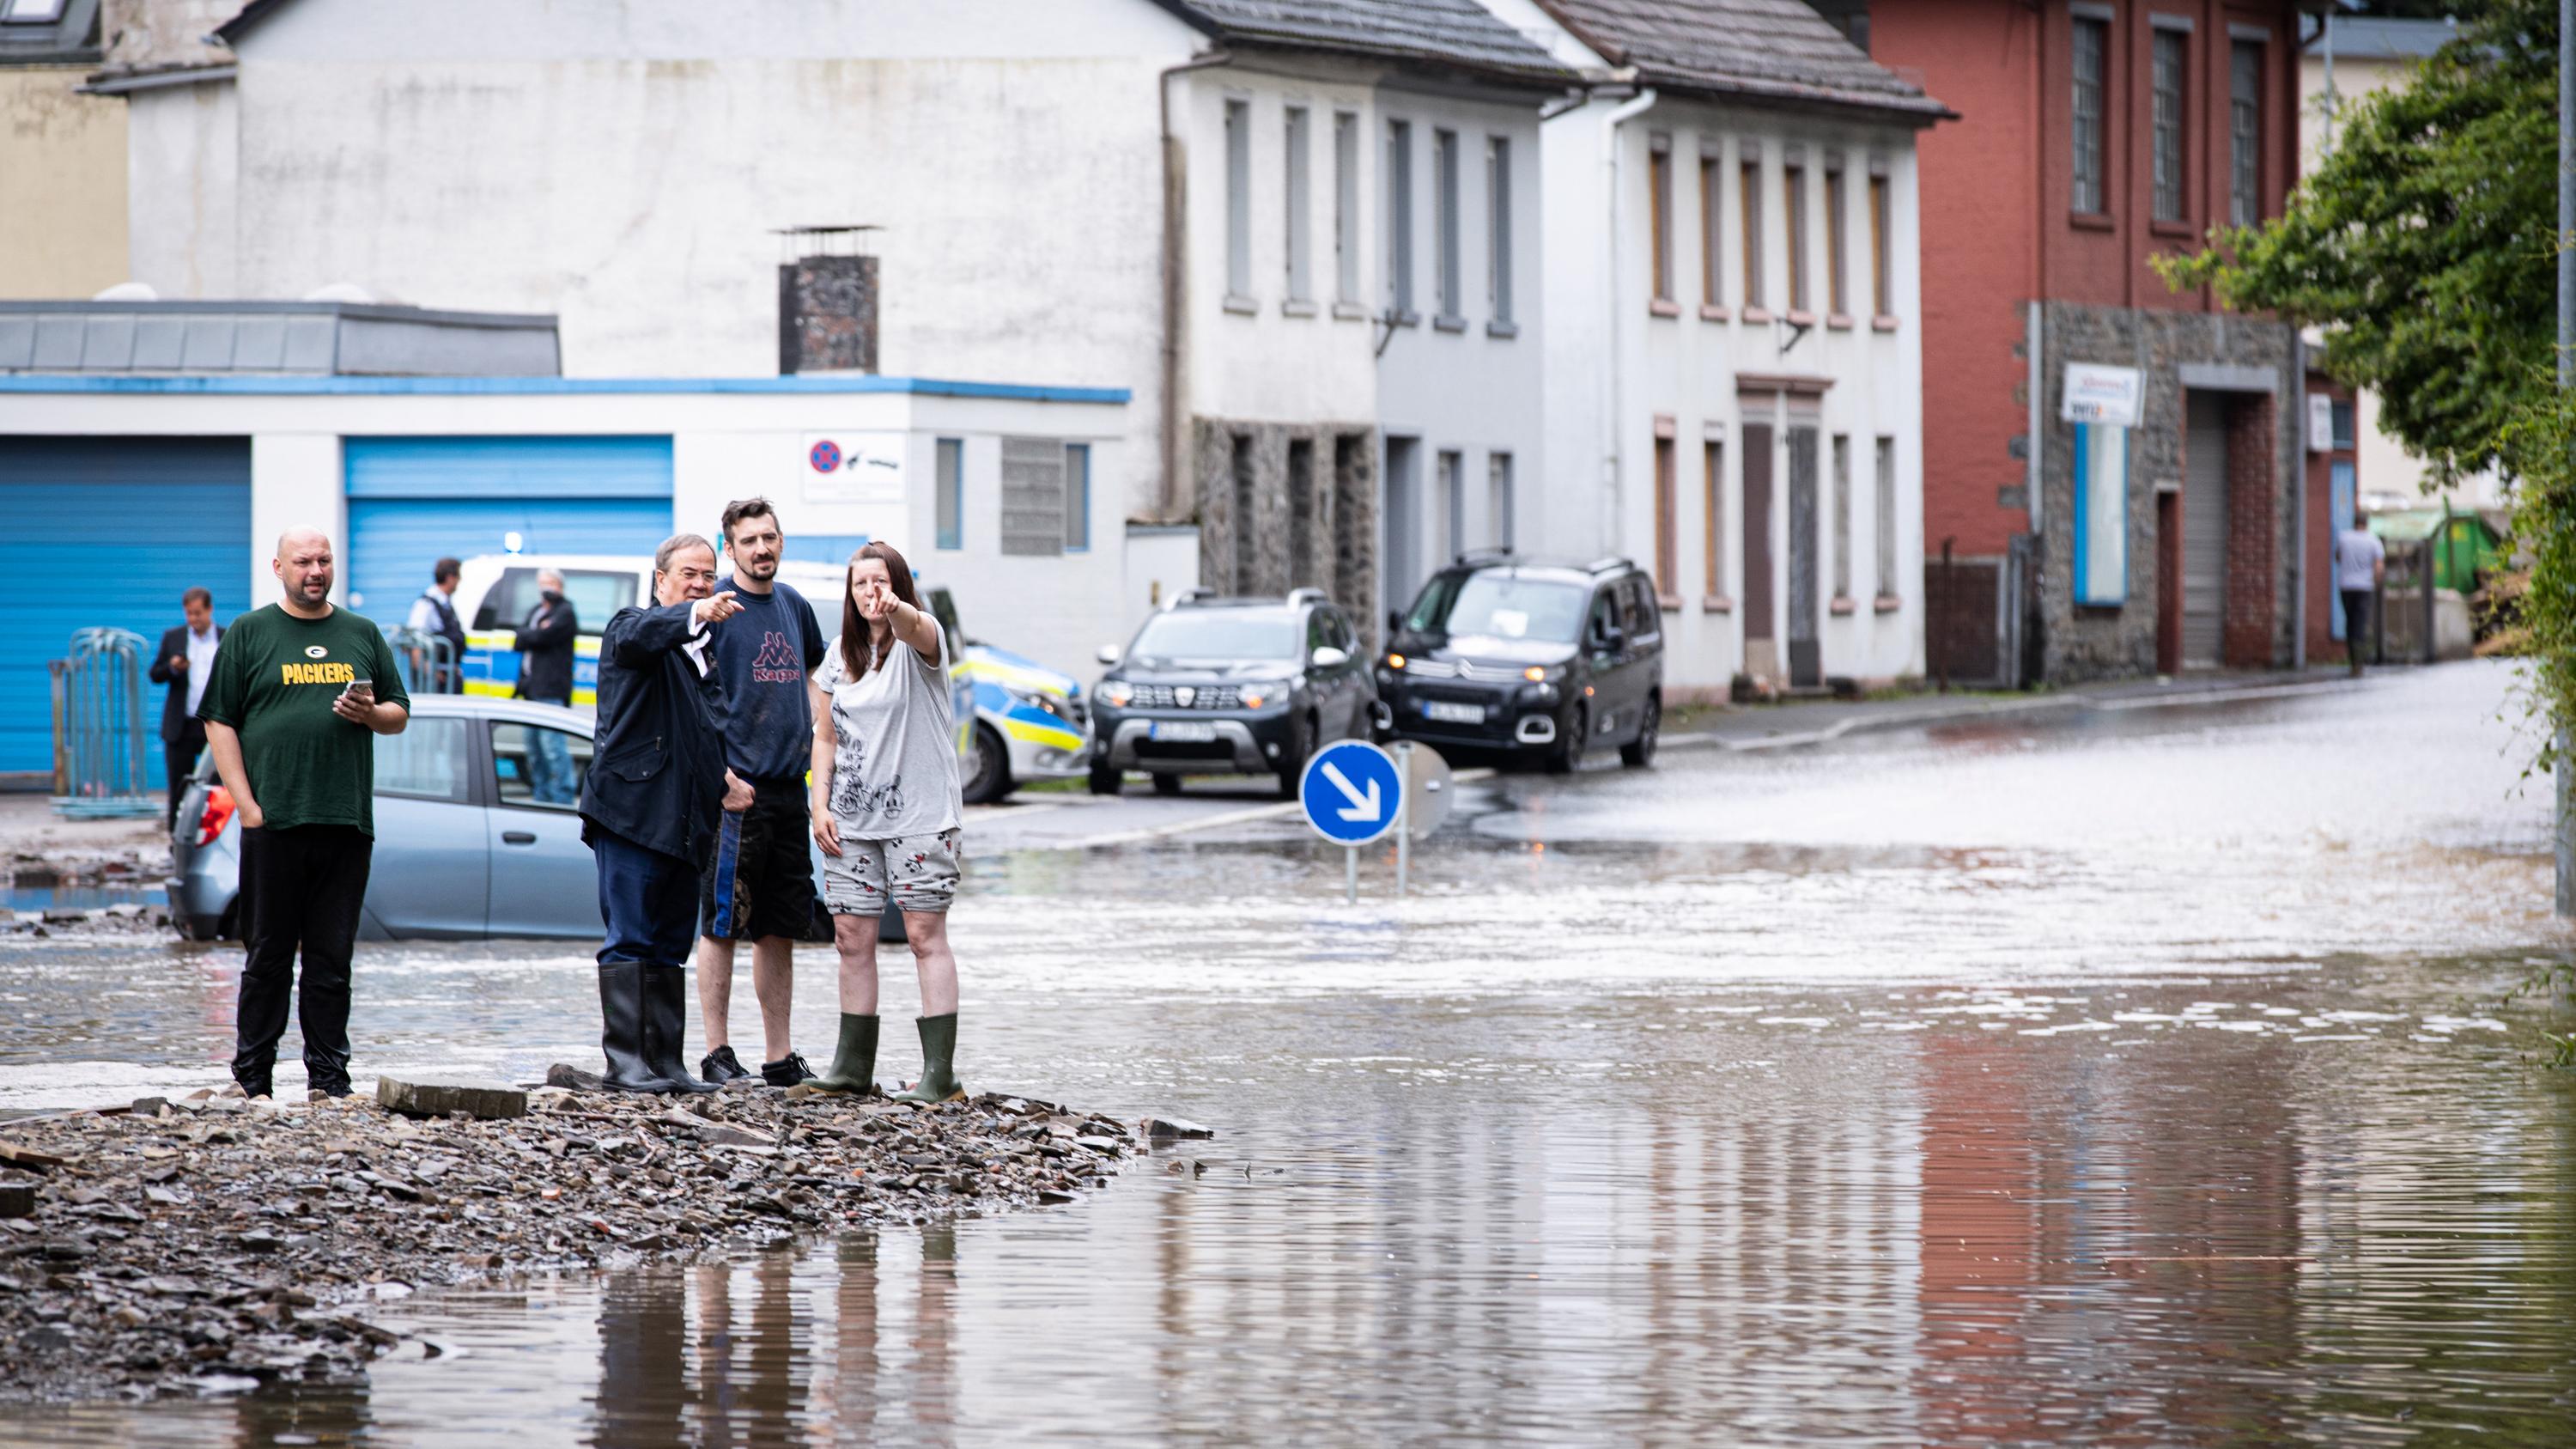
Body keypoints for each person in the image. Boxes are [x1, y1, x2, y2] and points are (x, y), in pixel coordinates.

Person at [197, 529, 410, 1100]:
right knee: (267, 956)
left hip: (344, 820)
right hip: (274, 822)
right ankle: (252, 1080)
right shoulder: (250, 632)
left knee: (330, 960)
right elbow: (219, 719)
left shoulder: (361, 633)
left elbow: (399, 713)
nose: (315, 570)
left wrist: (370, 711)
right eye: (303, 561)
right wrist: (246, 805)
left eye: (323, 560)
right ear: (278, 567)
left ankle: (329, 1082)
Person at [579, 534, 747, 1094]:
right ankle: (625, 1063)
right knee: (629, 936)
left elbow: (703, 732)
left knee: (671, 943)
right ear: (661, 580)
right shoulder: (633, 627)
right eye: (689, 575)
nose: (701, 584)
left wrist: (724, 781)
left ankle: (666, 1063)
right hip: (631, 810)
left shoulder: (703, 653)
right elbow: (640, 635)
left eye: (708, 576)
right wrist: (692, 613)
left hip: (687, 822)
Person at [805, 541, 969, 1104]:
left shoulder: (921, 642)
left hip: (920, 818)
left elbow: (918, 627)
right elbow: (824, 735)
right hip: (850, 820)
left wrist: (894, 607)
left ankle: (940, 1074)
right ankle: (851, 1065)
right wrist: (819, 804)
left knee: (925, 937)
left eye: (879, 582)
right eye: (859, 584)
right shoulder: (838, 655)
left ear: (896, 584)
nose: (869, 592)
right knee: (851, 939)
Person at [694, 499, 829, 1088]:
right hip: (737, 794)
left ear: (781, 541)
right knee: (723, 923)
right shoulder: (717, 608)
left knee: (779, 926)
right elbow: (692, 699)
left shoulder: (794, 606)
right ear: (730, 547)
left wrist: (821, 750)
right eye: (748, 540)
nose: (761, 549)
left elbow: (813, 680)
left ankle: (780, 1055)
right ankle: (717, 1051)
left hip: (788, 790)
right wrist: (721, 777)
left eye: (769, 537)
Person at [148, 587, 222, 831]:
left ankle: (212, 837)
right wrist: (172, 667)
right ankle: (177, 843)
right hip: (181, 726)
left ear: (210, 610)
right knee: (178, 786)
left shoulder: (226, 637)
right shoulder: (174, 637)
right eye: (189, 613)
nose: (193, 619)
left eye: (198, 613)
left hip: (214, 725)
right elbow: (155, 674)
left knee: (218, 786)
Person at [515, 569, 580, 804]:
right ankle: (541, 795)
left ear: (560, 586)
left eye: (551, 583)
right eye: (542, 583)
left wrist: (533, 634)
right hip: (531, 690)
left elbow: (543, 637)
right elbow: (519, 638)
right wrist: (534, 632)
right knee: (533, 749)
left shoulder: (565, 612)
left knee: (553, 747)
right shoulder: (536, 611)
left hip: (551, 689)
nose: (546, 588)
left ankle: (563, 796)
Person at [2335, 513, 2386, 678]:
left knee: (2350, 622)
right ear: (2367, 523)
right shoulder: (2373, 540)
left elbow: (2337, 557)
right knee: (2360, 623)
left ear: (2354, 522)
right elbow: (2379, 567)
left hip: (2346, 586)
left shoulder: (2344, 537)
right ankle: (2359, 662)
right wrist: (2376, 583)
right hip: (2364, 587)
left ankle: (2352, 659)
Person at [405, 557, 468, 693]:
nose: (460, 581)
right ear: (450, 577)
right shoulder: (426, 604)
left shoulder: (445, 602)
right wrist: (429, 670)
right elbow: (415, 639)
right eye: (458, 576)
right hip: (436, 680)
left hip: (448, 674)